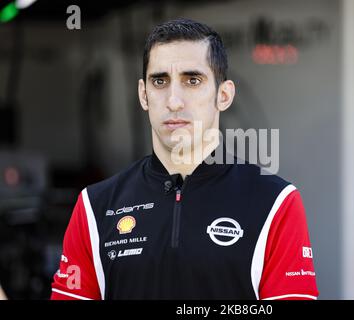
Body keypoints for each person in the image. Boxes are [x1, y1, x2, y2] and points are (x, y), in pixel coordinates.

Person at [50, 18, 318, 300]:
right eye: (160, 81)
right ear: (144, 95)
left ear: (223, 95)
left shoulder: (276, 202)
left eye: (192, 80)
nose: (174, 100)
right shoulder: (95, 207)